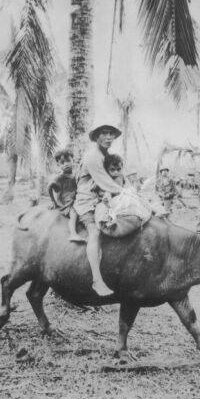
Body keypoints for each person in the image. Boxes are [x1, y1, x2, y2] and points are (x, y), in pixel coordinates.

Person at [74, 125, 123, 296]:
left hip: (103, 197)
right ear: (96, 137)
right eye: (104, 133)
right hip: (88, 200)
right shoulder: (93, 156)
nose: (109, 137)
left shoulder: (106, 155)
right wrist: (125, 192)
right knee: (94, 232)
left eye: (111, 134)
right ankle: (97, 280)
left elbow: (114, 178)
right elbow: (105, 182)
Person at [47, 149, 85, 243]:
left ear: (73, 161)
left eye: (68, 161)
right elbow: (50, 186)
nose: (66, 164)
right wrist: (53, 201)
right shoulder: (59, 178)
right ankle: (73, 234)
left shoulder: (76, 175)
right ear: (58, 165)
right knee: (74, 213)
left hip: (77, 198)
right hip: (67, 202)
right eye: (62, 163)